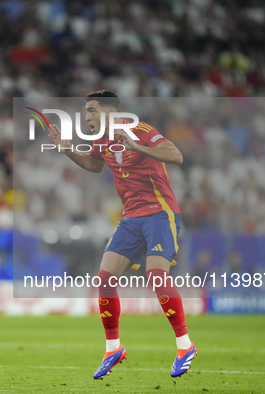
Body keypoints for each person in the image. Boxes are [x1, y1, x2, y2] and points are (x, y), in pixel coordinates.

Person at [48, 90, 195, 379]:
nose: (87, 117)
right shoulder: (101, 140)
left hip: (159, 213)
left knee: (156, 276)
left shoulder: (140, 131)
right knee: (104, 279)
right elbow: (94, 165)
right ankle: (113, 347)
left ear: (109, 112)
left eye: (91, 110)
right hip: (131, 217)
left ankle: (184, 345)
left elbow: (175, 155)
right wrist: (67, 149)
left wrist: (140, 148)